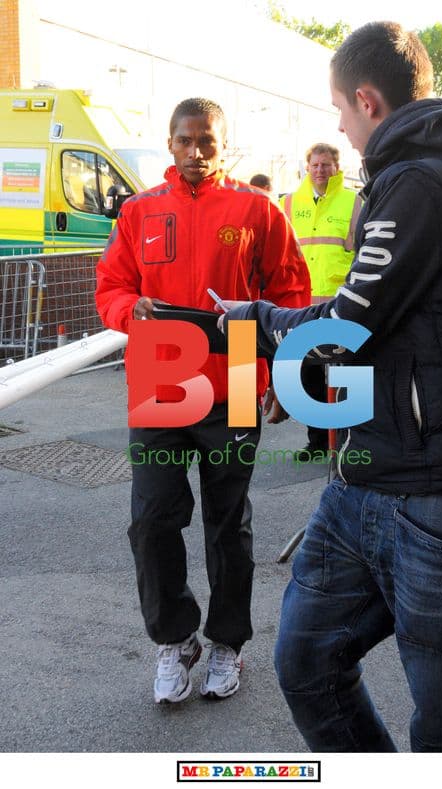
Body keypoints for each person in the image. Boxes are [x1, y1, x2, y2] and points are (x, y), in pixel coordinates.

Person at [218, 23, 442, 751]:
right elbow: (389, 328)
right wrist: (302, 369)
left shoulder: (426, 181)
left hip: (440, 498)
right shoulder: (413, 176)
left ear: (368, 100)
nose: (339, 129)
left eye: (340, 110)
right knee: (307, 661)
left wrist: (256, 319)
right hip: (367, 478)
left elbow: (347, 323)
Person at [95, 97, 310, 704]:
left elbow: (291, 293)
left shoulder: (256, 209)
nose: (195, 152)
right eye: (185, 141)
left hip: (238, 374)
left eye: (207, 142)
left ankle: (226, 643)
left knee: (227, 523)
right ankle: (174, 640)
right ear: (169, 143)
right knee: (152, 517)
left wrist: (284, 377)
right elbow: (112, 286)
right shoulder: (140, 211)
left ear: (223, 144)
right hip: (163, 379)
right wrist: (126, 309)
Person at [280, 144, 362, 460]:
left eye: (326, 164)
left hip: (344, 304)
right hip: (302, 306)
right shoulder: (287, 203)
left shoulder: (354, 202)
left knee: (347, 374)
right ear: (307, 166)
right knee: (309, 375)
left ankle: (349, 442)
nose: (320, 170)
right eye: (315, 164)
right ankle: (316, 442)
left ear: (337, 167)